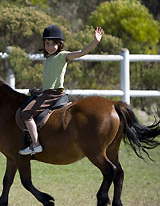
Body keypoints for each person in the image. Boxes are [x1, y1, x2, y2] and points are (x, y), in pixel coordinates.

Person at [19, 25, 104, 155]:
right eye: (47, 43)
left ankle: (35, 145)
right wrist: (40, 91)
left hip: (53, 94)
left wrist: (95, 42)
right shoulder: (47, 58)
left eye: (53, 44)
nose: (49, 46)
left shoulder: (62, 56)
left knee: (26, 113)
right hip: (47, 92)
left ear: (60, 44)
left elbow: (81, 52)